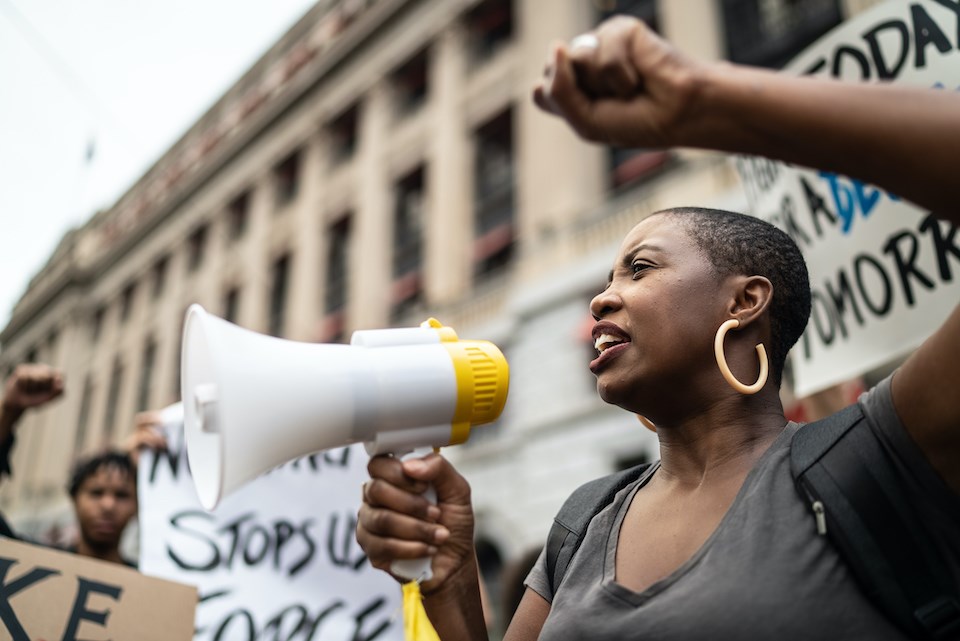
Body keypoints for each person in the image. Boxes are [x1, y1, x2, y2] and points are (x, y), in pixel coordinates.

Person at [355, 15, 960, 640]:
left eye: (639, 268)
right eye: (607, 279)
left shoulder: (874, 456)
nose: (599, 301)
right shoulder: (584, 522)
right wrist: (450, 581)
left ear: (745, 302)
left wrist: (706, 101)